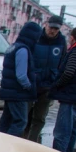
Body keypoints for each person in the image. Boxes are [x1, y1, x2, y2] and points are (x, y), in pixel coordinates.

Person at [25, 15, 67, 143]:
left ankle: (32, 141)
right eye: (51, 27)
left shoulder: (61, 42)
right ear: (46, 24)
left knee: (40, 118)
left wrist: (56, 82)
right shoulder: (36, 38)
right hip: (31, 84)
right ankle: (19, 140)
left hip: (48, 86)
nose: (52, 30)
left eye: (56, 28)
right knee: (23, 116)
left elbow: (62, 63)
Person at [0, 22, 42, 137]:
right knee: (20, 121)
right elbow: (21, 75)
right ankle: (10, 145)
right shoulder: (23, 50)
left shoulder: (13, 47)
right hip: (18, 92)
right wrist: (29, 86)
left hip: (10, 91)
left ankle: (0, 143)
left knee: (6, 120)